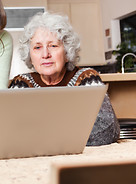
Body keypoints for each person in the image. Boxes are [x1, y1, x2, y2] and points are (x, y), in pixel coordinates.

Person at [9, 12, 120, 146]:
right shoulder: (21, 84)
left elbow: (106, 131)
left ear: (67, 52)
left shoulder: (87, 78)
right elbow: (11, 134)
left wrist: (40, 134)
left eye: (53, 46)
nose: (45, 54)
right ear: (30, 56)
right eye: (37, 47)